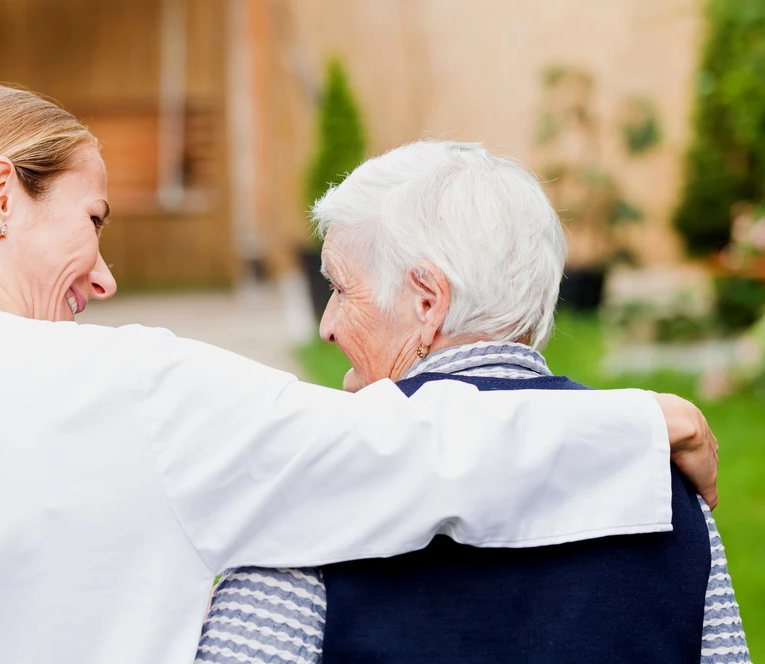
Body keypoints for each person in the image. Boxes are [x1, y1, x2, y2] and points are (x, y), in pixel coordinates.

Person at [0, 84, 718, 664]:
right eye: (93, 221)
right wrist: (646, 423)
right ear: (0, 195)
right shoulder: (115, 389)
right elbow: (406, 446)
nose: (106, 273)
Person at [197, 141, 748, 664]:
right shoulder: (661, 477)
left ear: (427, 301)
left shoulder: (317, 478)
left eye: (340, 289)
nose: (327, 326)